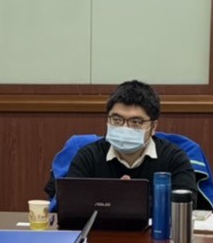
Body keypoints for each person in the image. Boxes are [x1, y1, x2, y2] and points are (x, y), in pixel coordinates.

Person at [44, 79, 204, 204]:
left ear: (153, 126)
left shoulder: (173, 158)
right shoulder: (88, 156)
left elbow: (187, 205)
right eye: (117, 119)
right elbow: (70, 204)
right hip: (100, 235)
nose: (124, 127)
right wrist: (115, 198)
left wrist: (132, 199)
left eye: (136, 122)